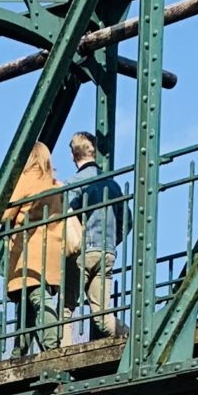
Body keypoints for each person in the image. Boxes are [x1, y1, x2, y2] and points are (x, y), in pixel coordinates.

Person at [4, 141, 69, 356]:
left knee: (36, 298)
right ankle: (18, 351)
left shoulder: (26, 179)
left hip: (28, 252)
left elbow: (5, 215)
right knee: (27, 303)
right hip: (50, 251)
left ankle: (52, 346)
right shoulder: (54, 184)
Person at [66, 131, 126, 341]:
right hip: (106, 253)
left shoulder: (74, 183)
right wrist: (111, 242)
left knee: (66, 308)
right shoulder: (113, 185)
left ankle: (60, 353)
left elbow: (63, 218)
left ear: (74, 156)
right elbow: (125, 221)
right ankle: (131, 338)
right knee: (101, 314)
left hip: (82, 254)